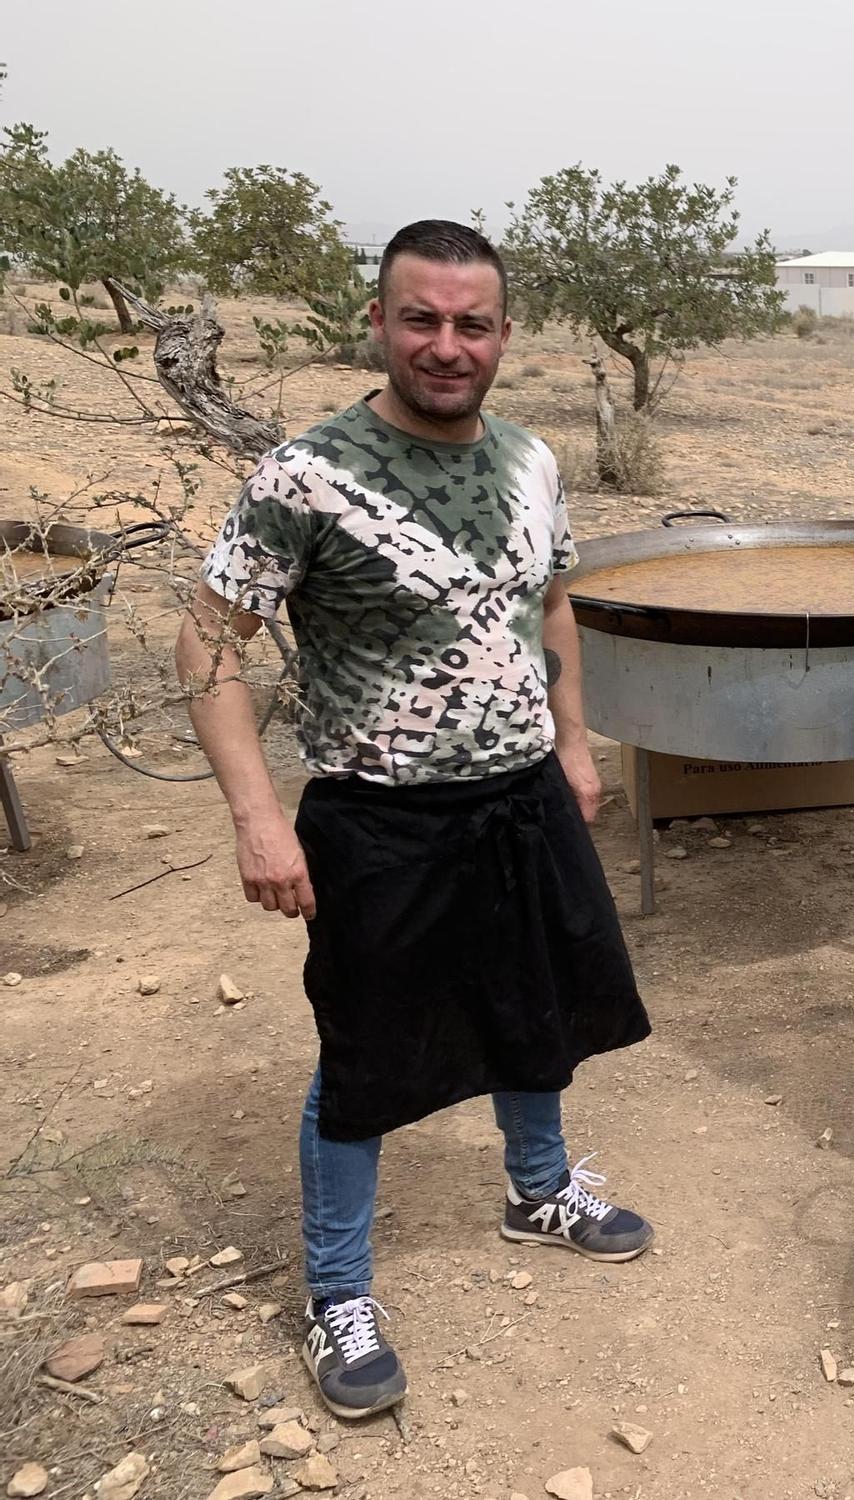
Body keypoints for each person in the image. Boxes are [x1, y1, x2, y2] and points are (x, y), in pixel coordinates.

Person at [177, 220, 653, 1419]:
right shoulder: (307, 475)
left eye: (472, 323)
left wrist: (572, 742)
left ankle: (536, 1188)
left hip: (518, 794)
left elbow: (552, 606)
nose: (448, 345)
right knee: (367, 1051)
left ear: (502, 333)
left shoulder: (534, 460)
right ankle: (337, 1291)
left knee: (534, 998)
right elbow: (205, 643)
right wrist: (256, 817)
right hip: (377, 817)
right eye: (423, 319)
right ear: (380, 324)